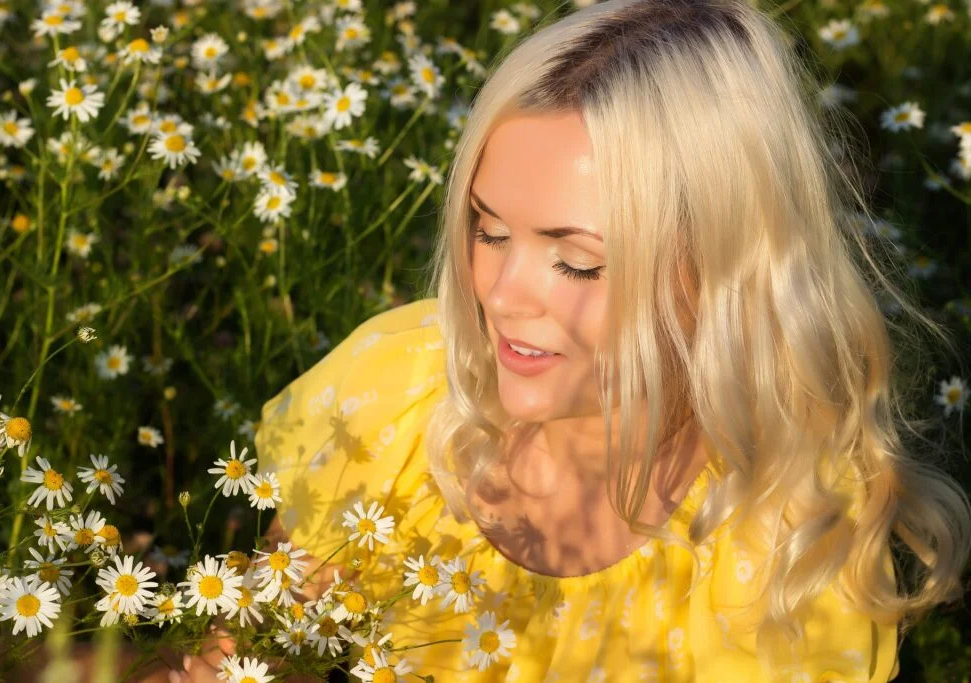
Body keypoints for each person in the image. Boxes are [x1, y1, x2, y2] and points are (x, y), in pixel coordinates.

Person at [180, 0, 971, 680]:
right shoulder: (397, 394)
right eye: (487, 231)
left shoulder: (788, 545)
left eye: (578, 261)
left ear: (721, 268)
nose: (500, 293)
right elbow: (250, 647)